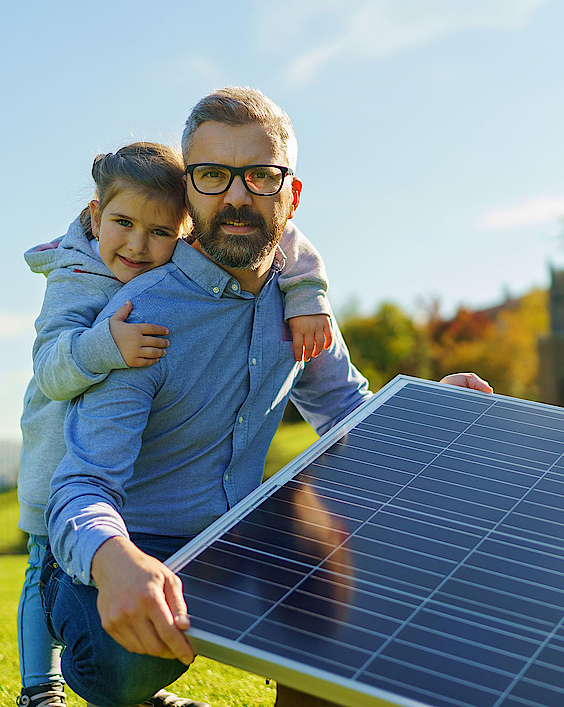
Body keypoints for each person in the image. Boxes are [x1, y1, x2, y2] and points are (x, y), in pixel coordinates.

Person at [41, 86, 491, 707]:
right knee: (119, 668)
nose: (234, 196)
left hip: (237, 533)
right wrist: (116, 560)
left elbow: (347, 418)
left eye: (259, 176)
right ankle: (79, 617)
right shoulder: (138, 317)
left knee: (323, 529)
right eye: (213, 176)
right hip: (140, 539)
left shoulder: (299, 304)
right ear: (188, 194)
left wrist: (426, 409)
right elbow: (80, 485)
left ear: (291, 193)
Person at [17, 142, 335, 707]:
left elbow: (290, 241)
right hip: (57, 468)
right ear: (96, 217)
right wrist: (102, 346)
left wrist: (310, 294)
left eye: (160, 232)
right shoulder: (83, 283)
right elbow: (49, 367)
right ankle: (39, 688)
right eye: (122, 223)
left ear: (184, 230)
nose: (138, 246)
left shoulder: (278, 294)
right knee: (45, 556)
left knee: (311, 528)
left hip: (209, 524)